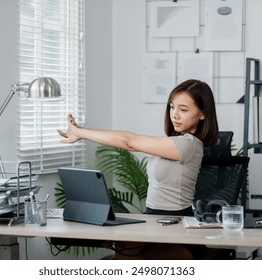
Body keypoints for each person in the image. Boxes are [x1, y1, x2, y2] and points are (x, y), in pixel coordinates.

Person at [57, 79, 219, 259]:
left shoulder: (189, 145)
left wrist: (80, 132)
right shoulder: (171, 142)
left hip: (177, 227)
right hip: (151, 221)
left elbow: (129, 142)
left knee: (130, 261)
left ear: (202, 114)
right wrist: (80, 131)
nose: (175, 115)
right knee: (117, 255)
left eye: (183, 109)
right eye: (172, 107)